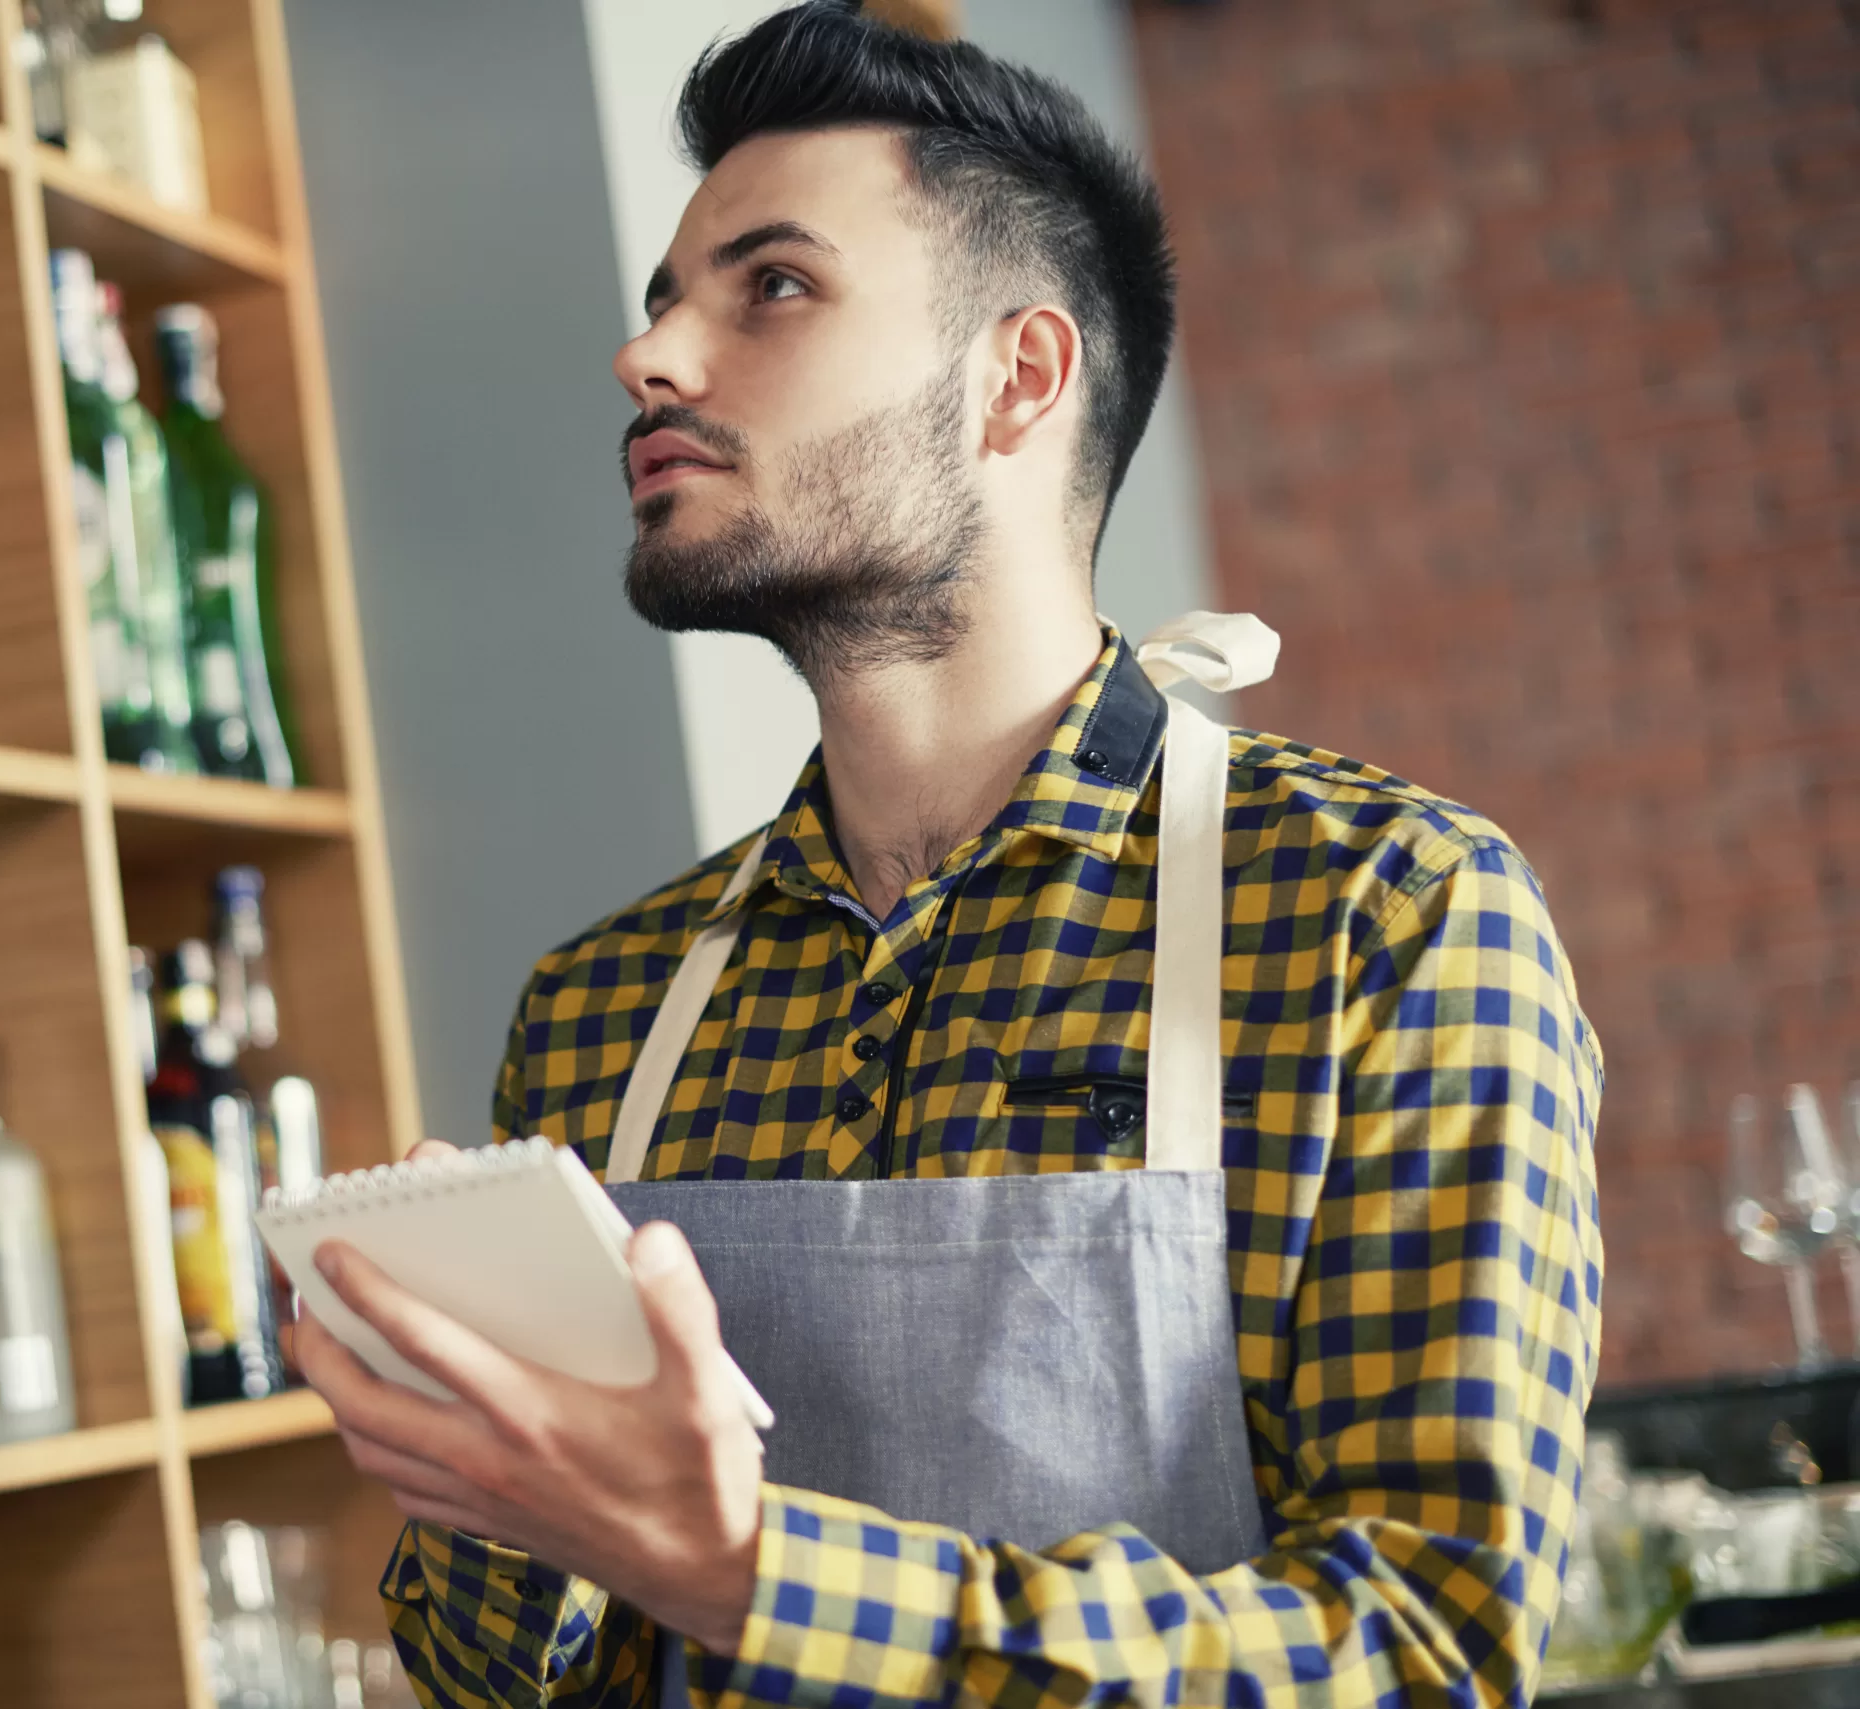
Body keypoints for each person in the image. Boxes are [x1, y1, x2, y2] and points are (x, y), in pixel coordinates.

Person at [286, 4, 1604, 1705]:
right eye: (663, 301)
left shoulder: (1388, 918)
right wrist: (495, 1449)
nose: (649, 356)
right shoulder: (605, 1009)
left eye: (771, 286)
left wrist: (745, 1570)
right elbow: (494, 1681)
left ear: (1019, 377)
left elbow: (1426, 1654)